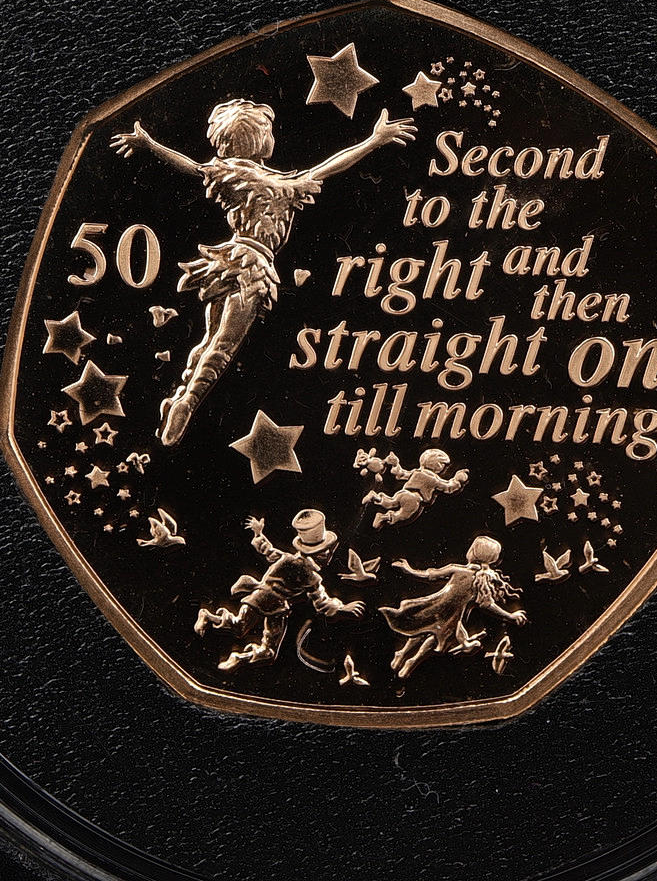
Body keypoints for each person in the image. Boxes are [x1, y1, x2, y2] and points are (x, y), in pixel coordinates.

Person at [110, 100, 416, 445]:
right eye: (268, 131)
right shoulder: (284, 185)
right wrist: (374, 141)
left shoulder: (228, 175)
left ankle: (181, 393)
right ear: (259, 140)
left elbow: (190, 165)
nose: (272, 136)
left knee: (210, 339)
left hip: (227, 258)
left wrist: (150, 144)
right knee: (224, 345)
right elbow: (330, 167)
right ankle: (188, 402)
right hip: (254, 266)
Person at [196, 510, 363, 671]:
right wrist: (342, 608)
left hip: (259, 597)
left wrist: (258, 534)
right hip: (276, 607)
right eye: (327, 551)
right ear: (320, 554)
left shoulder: (287, 558)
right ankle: (240, 657)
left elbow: (268, 551)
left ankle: (210, 618)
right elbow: (321, 602)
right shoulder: (310, 576)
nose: (329, 555)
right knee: (268, 651)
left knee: (239, 627)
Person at [379, 536, 526, 679]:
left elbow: (430, 575)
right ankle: (408, 659)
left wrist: (408, 570)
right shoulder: (482, 579)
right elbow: (487, 605)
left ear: (472, 552)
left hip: (442, 610)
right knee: (431, 634)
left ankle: (407, 658)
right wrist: (510, 616)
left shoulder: (463, 572)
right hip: (449, 615)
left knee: (424, 629)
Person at [361, 447, 468, 528]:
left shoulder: (416, 472)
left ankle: (375, 497)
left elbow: (401, 474)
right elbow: (448, 487)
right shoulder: (434, 480)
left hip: (403, 493)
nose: (443, 467)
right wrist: (458, 480)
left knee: (391, 502)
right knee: (403, 514)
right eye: (443, 464)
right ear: (437, 465)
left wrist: (396, 464)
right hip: (414, 499)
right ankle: (383, 517)